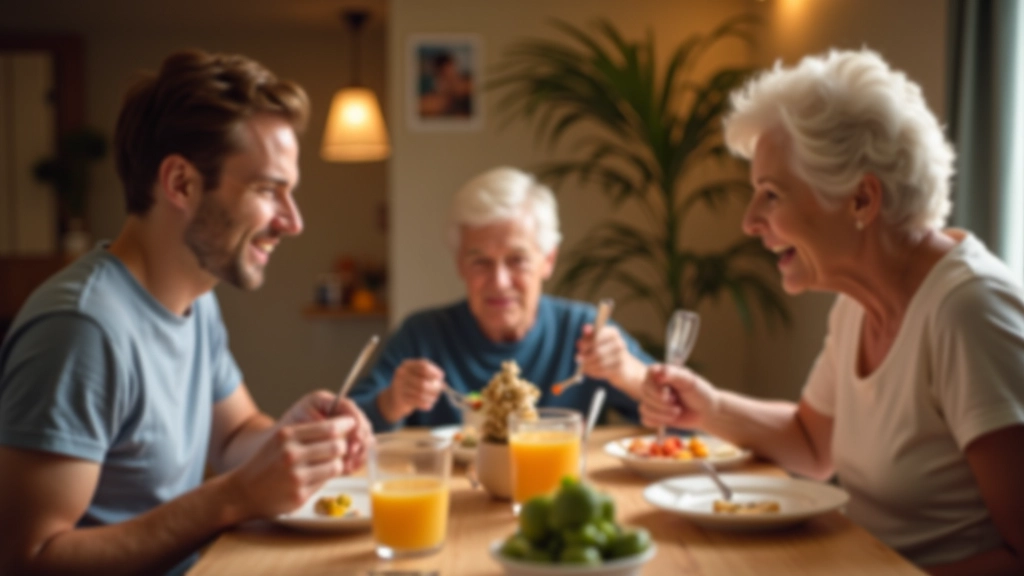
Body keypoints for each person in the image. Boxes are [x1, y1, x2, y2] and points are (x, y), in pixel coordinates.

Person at [640, 48, 1024, 574]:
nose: (751, 221)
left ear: (862, 200)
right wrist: (706, 408)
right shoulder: (856, 303)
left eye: (771, 195)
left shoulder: (968, 312)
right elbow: (812, 444)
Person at [0, 50, 372, 576]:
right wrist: (231, 498)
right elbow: (27, 560)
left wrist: (292, 440)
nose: (293, 222)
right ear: (180, 183)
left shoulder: (197, 301)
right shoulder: (82, 330)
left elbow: (233, 435)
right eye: (268, 190)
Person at [350, 167, 654, 431]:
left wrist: (629, 374)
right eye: (480, 261)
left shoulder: (584, 330)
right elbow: (348, 429)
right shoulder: (422, 336)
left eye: (517, 260)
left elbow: (686, 421)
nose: (499, 281)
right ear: (459, 264)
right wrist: (391, 401)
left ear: (548, 260)